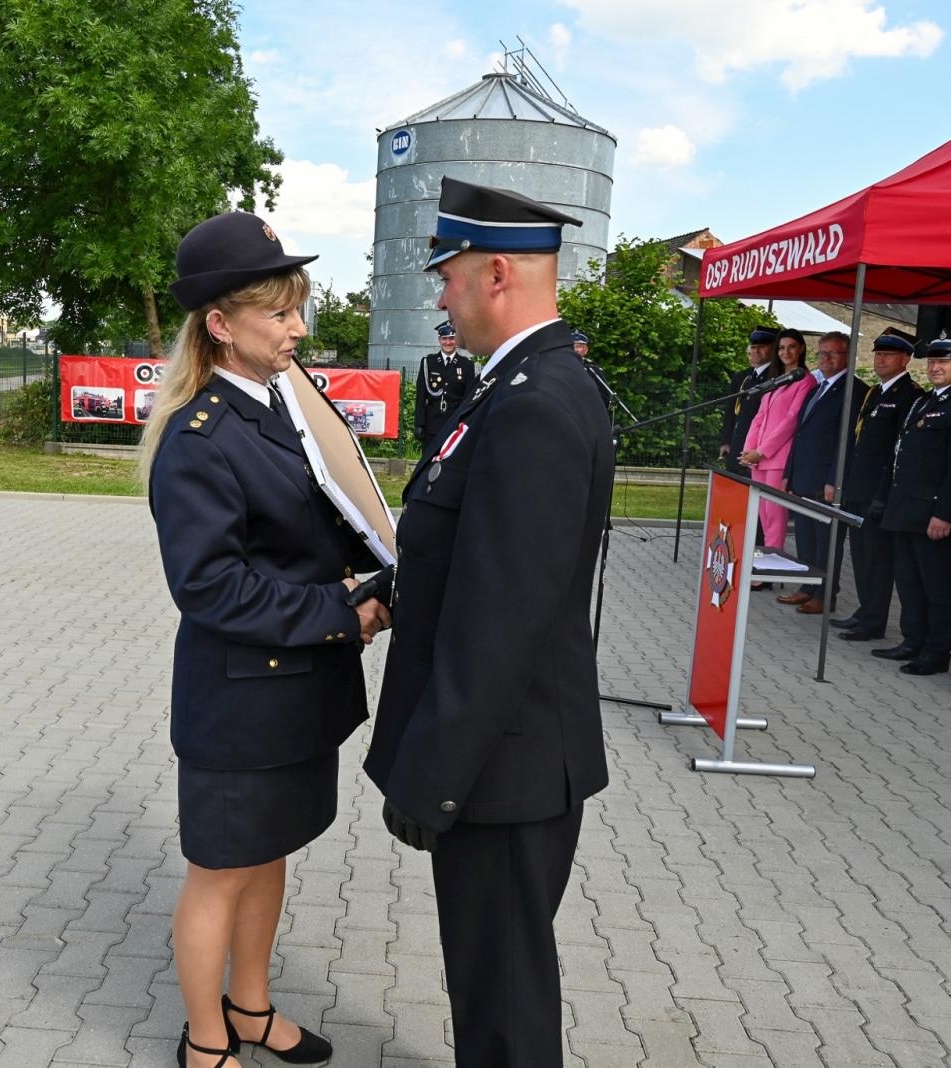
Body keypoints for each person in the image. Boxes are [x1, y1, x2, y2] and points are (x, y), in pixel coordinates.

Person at [364, 176, 614, 1067]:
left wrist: (431, 778)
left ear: (496, 273)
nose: (440, 294)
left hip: (500, 769)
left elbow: (501, 618)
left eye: (448, 275)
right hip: (500, 758)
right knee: (489, 984)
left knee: (503, 1003)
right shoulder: (513, 386)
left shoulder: (535, 402)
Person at [141, 210, 391, 1068]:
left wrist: (380, 577)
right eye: (280, 312)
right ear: (221, 325)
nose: (298, 328)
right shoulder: (198, 438)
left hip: (290, 691)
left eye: (298, 309)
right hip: (240, 700)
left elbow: (322, 522)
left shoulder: (277, 409)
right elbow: (208, 587)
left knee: (269, 853)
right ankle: (206, 1041)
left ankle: (251, 1008)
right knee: (221, 871)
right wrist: (339, 610)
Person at [870, 334, 951, 675]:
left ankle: (937, 652)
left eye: (943, 362)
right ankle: (913, 640)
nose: (935, 367)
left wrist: (946, 513)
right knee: (910, 582)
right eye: (932, 362)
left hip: (935, 514)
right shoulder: (924, 401)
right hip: (906, 509)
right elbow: (900, 456)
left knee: (940, 586)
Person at [833, 328, 922, 641]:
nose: (880, 359)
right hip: (858, 486)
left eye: (888, 354)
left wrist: (883, 493)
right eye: (878, 354)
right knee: (860, 556)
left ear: (906, 359)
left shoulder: (910, 395)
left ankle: (874, 620)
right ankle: (865, 609)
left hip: (879, 491)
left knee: (877, 559)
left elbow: (898, 449)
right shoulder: (876, 393)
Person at [781, 331, 867, 614]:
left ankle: (826, 594)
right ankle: (807, 587)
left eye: (834, 353)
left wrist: (834, 479)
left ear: (848, 356)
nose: (827, 359)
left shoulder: (854, 391)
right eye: (822, 353)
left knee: (826, 543)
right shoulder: (817, 386)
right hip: (804, 477)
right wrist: (789, 473)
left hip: (825, 482)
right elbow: (801, 433)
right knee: (806, 539)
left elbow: (847, 442)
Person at [739, 328, 816, 550]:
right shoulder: (777, 379)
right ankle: (764, 561)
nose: (786, 352)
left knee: (774, 514)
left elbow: (791, 420)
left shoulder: (805, 380)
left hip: (778, 458)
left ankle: (771, 566)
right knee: (762, 513)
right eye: (782, 347)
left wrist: (762, 450)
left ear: (801, 349)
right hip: (758, 458)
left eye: (791, 347)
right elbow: (759, 417)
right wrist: (749, 450)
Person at [719, 328, 778, 475]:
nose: (756, 351)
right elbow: (731, 411)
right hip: (737, 444)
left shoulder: (777, 377)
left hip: (757, 449)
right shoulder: (743, 377)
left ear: (773, 349)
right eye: (753, 347)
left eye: (762, 347)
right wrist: (726, 440)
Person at [414, 319, 476, 454]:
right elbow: (421, 395)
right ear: (439, 340)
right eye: (444, 338)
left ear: (457, 340)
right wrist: (419, 423)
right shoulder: (428, 363)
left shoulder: (466, 365)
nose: (448, 342)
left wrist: (464, 423)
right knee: (429, 461)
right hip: (432, 423)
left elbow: (468, 399)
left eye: (451, 338)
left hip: (454, 423)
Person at [571, 328, 618, 412]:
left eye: (579, 346)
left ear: (585, 350)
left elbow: (604, 396)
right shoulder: (560, 369)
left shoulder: (592, 368)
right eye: (573, 347)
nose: (575, 350)